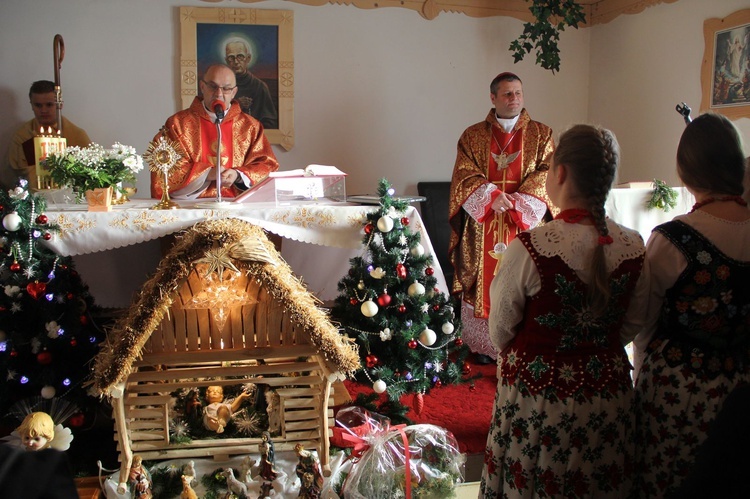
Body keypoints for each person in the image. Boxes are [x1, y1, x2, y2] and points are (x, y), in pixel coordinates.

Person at [481, 124, 649, 497]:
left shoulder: (531, 247)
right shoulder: (633, 245)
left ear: (559, 173)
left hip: (539, 403)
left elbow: (500, 330)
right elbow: (632, 325)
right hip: (607, 398)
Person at [632, 112, 750, 497]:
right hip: (743, 390)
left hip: (679, 397)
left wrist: (640, 378)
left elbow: (643, 323)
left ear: (686, 170)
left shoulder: (674, 238)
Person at [448, 72, 555, 363]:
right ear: (493, 98)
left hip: (522, 223)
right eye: (507, 94)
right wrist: (490, 196)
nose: (515, 99)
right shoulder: (473, 135)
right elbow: (463, 174)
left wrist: (520, 202)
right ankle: (483, 347)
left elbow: (547, 172)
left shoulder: (541, 134)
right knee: (483, 275)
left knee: (523, 278)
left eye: (518, 92)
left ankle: (520, 342)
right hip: (484, 223)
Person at [149, 64, 279, 200]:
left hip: (236, 205)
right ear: (202, 87)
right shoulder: (178, 124)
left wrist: (238, 175)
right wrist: (206, 174)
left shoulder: (250, 126)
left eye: (226, 89)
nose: (219, 94)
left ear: (234, 92)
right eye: (213, 86)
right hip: (191, 207)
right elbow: (164, 167)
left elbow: (267, 166)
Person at [7, 80, 91, 189]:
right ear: (31, 105)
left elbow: (88, 173)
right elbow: (20, 174)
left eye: (49, 105)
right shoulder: (22, 136)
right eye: (38, 105)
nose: (44, 110)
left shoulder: (77, 135)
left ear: (60, 105)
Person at [225, 39, 278, 129]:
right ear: (226, 61)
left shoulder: (260, 87)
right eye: (231, 58)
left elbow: (270, 123)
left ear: (248, 58)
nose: (236, 61)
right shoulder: (221, 87)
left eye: (240, 56)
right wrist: (236, 106)